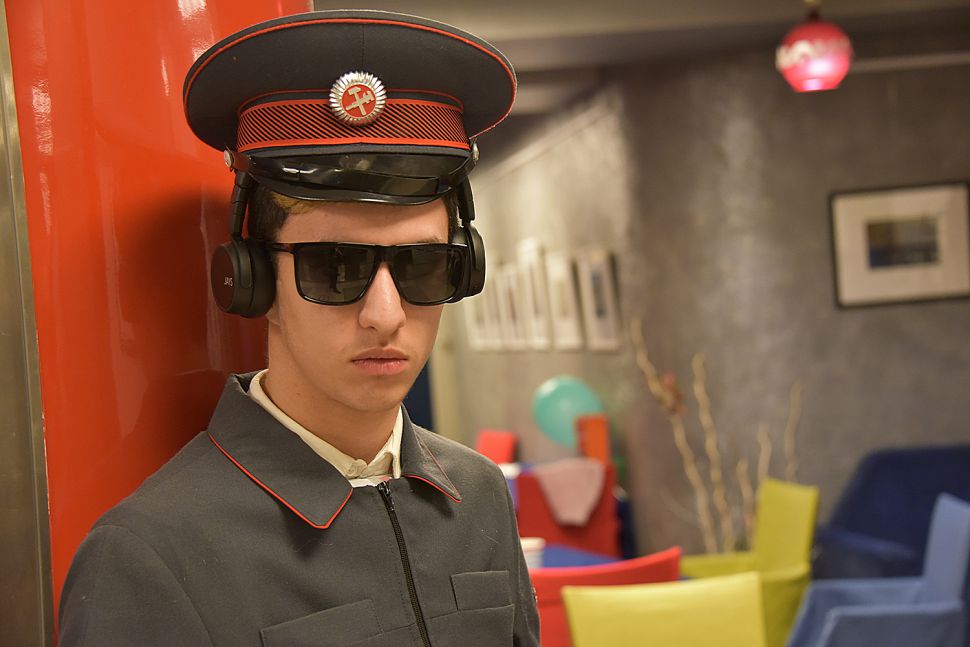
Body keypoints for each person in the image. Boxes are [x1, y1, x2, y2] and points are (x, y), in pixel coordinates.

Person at [58, 10, 540, 646]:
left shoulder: (477, 494)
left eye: (423, 266)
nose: (386, 314)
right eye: (334, 267)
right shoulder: (150, 554)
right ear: (253, 279)